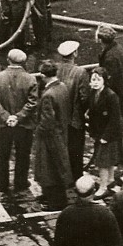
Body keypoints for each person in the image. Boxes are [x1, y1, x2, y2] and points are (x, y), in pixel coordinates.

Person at [0, 48, 39, 196]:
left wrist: (6, 116)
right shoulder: (30, 79)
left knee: (2, 156)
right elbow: (32, 102)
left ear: (8, 60)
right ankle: (20, 183)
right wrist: (18, 117)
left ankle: (2, 184)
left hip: (3, 125)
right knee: (23, 155)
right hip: (23, 125)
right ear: (24, 62)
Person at [96, 24, 123, 178]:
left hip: (119, 97)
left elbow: (113, 80)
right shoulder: (116, 49)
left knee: (121, 130)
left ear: (101, 39)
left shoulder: (111, 57)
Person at [33, 60, 71, 210]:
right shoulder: (62, 88)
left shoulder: (48, 95)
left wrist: (38, 130)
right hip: (61, 133)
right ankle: (51, 196)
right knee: (58, 167)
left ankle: (56, 202)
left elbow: (47, 121)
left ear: (43, 76)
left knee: (49, 170)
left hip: (50, 137)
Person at [85, 66, 123, 198]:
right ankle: (111, 180)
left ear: (104, 81)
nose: (95, 82)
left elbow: (115, 119)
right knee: (108, 160)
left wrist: (106, 136)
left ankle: (102, 187)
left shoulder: (111, 96)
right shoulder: (93, 93)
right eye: (93, 79)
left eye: (98, 79)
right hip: (99, 132)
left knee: (102, 162)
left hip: (109, 134)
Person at [56, 40, 88, 180]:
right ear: (74, 53)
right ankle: (76, 179)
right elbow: (84, 97)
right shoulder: (80, 72)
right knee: (75, 151)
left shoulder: (55, 69)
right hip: (75, 119)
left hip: (58, 117)